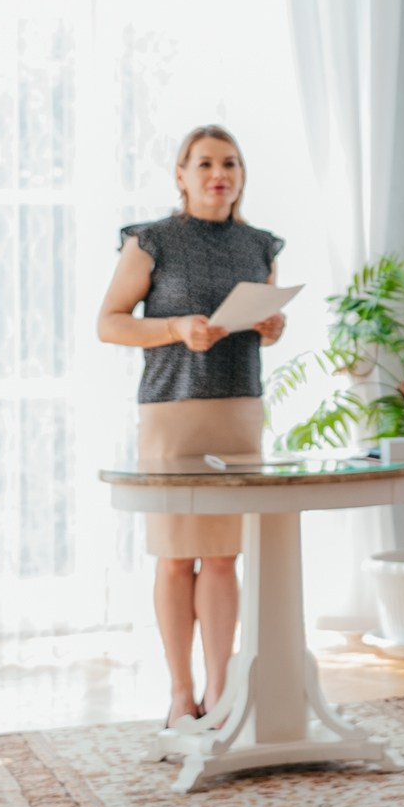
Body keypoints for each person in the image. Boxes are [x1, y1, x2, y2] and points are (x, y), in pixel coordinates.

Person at [96, 125, 288, 726]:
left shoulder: (261, 246)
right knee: (178, 556)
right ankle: (182, 696)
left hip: (237, 411)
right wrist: (176, 328)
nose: (218, 174)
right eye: (204, 164)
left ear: (241, 174)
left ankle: (223, 692)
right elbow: (110, 323)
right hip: (172, 412)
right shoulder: (151, 241)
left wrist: (271, 328)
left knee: (225, 556)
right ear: (180, 176)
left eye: (229, 162)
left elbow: (267, 317)